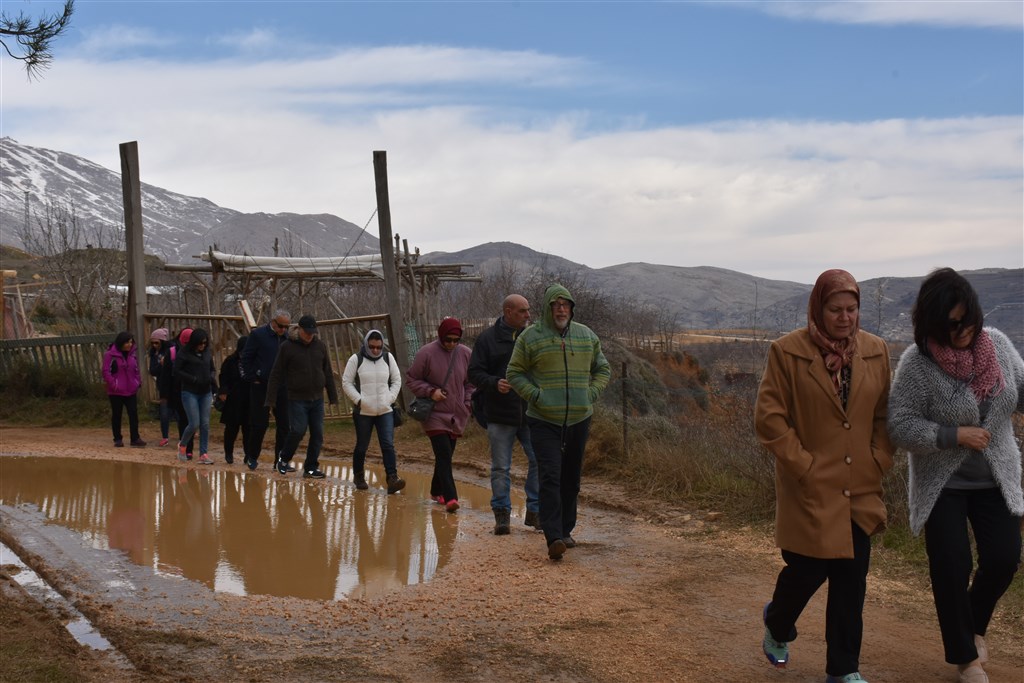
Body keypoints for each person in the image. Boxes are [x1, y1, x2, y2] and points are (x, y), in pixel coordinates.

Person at [754, 269, 893, 683]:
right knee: (806, 572)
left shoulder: (876, 350)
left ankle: (844, 670)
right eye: (836, 309)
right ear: (819, 308)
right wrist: (804, 466)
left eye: (852, 309)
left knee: (852, 584)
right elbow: (769, 419)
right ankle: (778, 623)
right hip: (810, 487)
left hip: (860, 488)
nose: (845, 317)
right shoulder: (787, 351)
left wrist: (879, 458)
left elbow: (885, 415)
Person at [887, 268, 1023, 683]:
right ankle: (965, 658)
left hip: (996, 475)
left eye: (967, 319)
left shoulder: (997, 345)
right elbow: (899, 425)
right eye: (950, 323)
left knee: (1003, 559)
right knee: (951, 564)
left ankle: (973, 626)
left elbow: (1021, 387)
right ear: (931, 322)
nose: (961, 330)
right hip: (942, 484)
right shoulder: (917, 364)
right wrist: (952, 435)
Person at [506, 284, 611, 560]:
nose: (561, 309)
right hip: (543, 419)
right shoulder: (531, 337)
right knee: (550, 475)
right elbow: (514, 372)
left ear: (572, 308)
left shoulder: (586, 336)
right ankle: (553, 536)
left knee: (571, 478)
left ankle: (566, 530)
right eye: (556, 304)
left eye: (566, 304)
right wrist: (535, 396)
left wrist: (591, 393)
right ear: (548, 308)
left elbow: (602, 368)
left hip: (579, 418)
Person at [468, 294, 541, 535]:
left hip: (531, 413)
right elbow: (474, 373)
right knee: (500, 467)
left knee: (539, 461)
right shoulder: (487, 339)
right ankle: (502, 516)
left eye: (528, 310)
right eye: (523, 311)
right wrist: (494, 383)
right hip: (499, 413)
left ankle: (535, 511)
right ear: (508, 312)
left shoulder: (532, 337)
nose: (528, 315)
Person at [407, 317, 474, 512]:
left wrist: (467, 403)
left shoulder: (466, 354)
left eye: (456, 340)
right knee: (444, 453)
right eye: (448, 339)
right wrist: (430, 392)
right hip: (434, 414)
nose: (451, 344)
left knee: (446, 454)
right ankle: (451, 498)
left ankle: (436, 490)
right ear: (440, 336)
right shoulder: (426, 353)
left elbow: (471, 383)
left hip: (456, 414)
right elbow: (411, 379)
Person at [265, 315, 338, 479]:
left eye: (313, 332)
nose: (310, 335)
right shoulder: (287, 347)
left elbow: (326, 371)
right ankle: (283, 458)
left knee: (318, 433)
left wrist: (332, 396)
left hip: (317, 398)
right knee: (298, 430)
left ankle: (311, 467)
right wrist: (270, 399)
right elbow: (276, 374)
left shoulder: (320, 346)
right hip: (297, 398)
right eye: (307, 332)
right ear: (299, 329)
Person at [341, 329, 406, 494]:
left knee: (388, 445)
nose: (375, 350)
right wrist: (359, 400)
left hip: (385, 410)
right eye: (372, 347)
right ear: (366, 345)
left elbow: (397, 380)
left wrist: (389, 399)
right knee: (362, 446)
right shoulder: (356, 359)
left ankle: (392, 478)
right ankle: (359, 476)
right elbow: (346, 382)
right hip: (363, 412)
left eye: (378, 347)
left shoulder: (388, 358)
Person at [240, 309, 291, 471]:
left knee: (284, 425)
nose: (283, 329)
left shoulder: (287, 339)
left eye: (286, 327)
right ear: (273, 322)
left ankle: (280, 460)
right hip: (261, 385)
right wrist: (252, 377)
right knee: (259, 424)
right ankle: (252, 456)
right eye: (281, 326)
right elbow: (246, 358)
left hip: (282, 386)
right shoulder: (258, 335)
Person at [173, 327, 217, 465]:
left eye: (204, 343)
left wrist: (210, 377)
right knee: (194, 423)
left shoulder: (207, 353)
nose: (202, 346)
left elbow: (212, 369)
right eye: (199, 344)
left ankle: (203, 453)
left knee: (205, 424)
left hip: (205, 392)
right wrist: (192, 379)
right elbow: (177, 371)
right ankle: (183, 445)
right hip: (190, 392)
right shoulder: (183, 354)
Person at [102, 330, 146, 448]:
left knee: (133, 414)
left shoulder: (132, 355)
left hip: (130, 390)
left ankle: (135, 438)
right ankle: (117, 438)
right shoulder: (109, 355)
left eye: (131, 342)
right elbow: (106, 372)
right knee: (117, 414)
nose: (130, 345)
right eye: (127, 342)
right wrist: (114, 384)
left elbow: (136, 370)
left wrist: (138, 382)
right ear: (121, 343)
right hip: (116, 391)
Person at [218, 335, 250, 465]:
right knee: (231, 429)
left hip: (249, 399)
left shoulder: (253, 360)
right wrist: (223, 391)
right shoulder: (230, 361)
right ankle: (228, 453)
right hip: (233, 399)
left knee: (248, 429)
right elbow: (223, 378)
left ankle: (248, 454)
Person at [147, 328, 172, 446]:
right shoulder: (153, 353)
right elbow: (152, 370)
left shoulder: (171, 350)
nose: (154, 345)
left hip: (175, 384)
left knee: (179, 411)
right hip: (162, 385)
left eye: (157, 342)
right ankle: (165, 436)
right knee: (164, 412)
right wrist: (162, 365)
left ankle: (187, 434)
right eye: (152, 343)